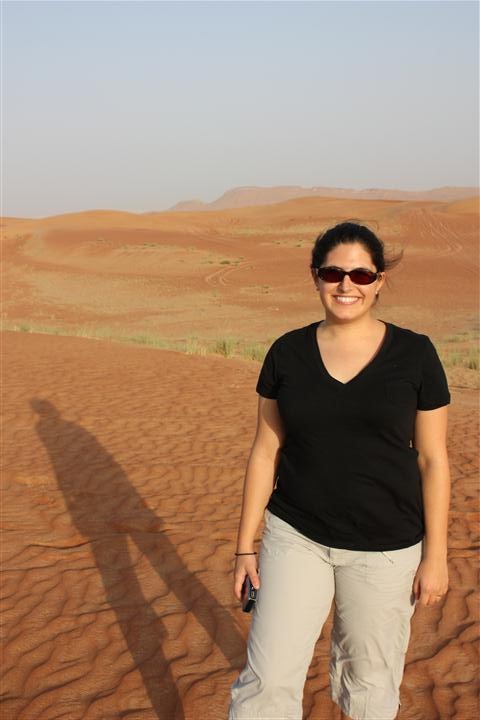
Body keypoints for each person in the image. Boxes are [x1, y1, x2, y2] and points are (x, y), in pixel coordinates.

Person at [227, 222, 451, 720]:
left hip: (386, 548)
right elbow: (265, 451)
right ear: (315, 276)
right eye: (333, 273)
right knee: (267, 679)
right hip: (296, 536)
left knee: (370, 686)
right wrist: (245, 547)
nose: (346, 285)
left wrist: (435, 557)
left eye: (361, 274)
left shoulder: (415, 354)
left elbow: (433, 459)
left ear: (379, 280)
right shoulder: (287, 353)